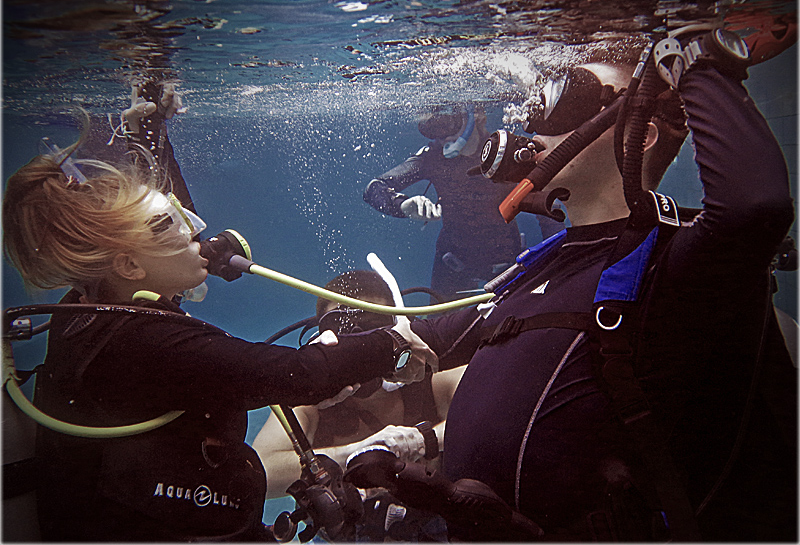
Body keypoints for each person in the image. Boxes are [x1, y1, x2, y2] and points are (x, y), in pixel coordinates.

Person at [392, 34, 796, 540]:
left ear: (640, 136)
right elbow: (431, 339)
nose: (537, 119)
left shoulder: (671, 268)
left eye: (573, 95)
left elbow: (753, 207)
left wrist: (691, 55)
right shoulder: (547, 262)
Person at [2, 114, 437, 541]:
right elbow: (301, 375)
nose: (197, 230)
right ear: (130, 265)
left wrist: (155, 137)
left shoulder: (93, 304)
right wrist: (391, 342)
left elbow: (162, 243)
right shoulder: (153, 343)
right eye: (169, 226)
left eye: (178, 215)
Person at [254, 269, 465, 541]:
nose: (361, 349)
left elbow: (495, 411)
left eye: (375, 330)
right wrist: (357, 453)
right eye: (343, 334)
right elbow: (261, 470)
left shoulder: (430, 378)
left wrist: (419, 440)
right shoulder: (311, 402)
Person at [363, 104, 526, 301]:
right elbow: (373, 188)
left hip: (508, 262)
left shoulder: (508, 151)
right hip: (452, 263)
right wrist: (403, 205)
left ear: (478, 116)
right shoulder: (433, 156)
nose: (442, 137)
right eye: (431, 128)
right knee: (440, 327)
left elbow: (551, 200)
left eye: (448, 123)